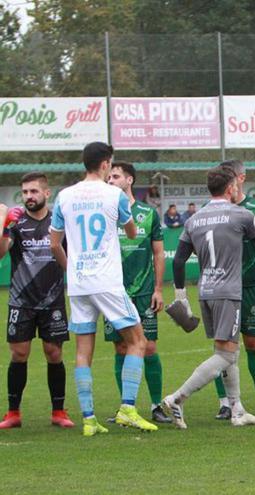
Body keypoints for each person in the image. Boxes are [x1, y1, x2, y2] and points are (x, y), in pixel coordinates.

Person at [49, 142, 156, 436]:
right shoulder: (115, 195)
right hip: (106, 281)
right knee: (138, 342)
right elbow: (132, 231)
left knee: (84, 351)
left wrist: (71, 268)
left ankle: (88, 419)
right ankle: (128, 409)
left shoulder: (65, 196)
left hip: (79, 282)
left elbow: (54, 243)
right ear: (106, 164)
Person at [161, 166, 255, 429]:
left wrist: (181, 297)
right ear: (231, 188)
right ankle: (178, 397)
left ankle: (236, 410)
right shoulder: (241, 214)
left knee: (225, 350)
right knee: (227, 355)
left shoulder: (194, 219)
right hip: (229, 292)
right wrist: (251, 229)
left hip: (206, 291)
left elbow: (178, 261)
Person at [0, 173, 74, 429]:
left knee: (54, 353)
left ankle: (58, 411)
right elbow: (1, 253)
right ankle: (13, 413)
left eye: (34, 191)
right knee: (19, 354)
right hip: (21, 300)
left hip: (53, 300)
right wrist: (4, 225)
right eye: (25, 192)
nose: (29, 197)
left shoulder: (59, 221)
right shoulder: (17, 223)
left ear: (46, 193)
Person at [211, 160, 255, 420]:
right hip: (222, 287)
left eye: (232, 177)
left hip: (250, 286)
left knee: (253, 343)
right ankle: (225, 404)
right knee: (222, 346)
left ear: (241, 178)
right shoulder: (216, 209)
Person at [104, 162, 169, 424]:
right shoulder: (105, 212)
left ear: (129, 180)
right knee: (121, 348)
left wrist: (158, 289)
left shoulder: (147, 213)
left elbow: (158, 253)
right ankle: (125, 408)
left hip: (143, 291)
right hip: (112, 292)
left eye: (116, 176)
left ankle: (156, 406)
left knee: (149, 348)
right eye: (108, 176)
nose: (110, 180)